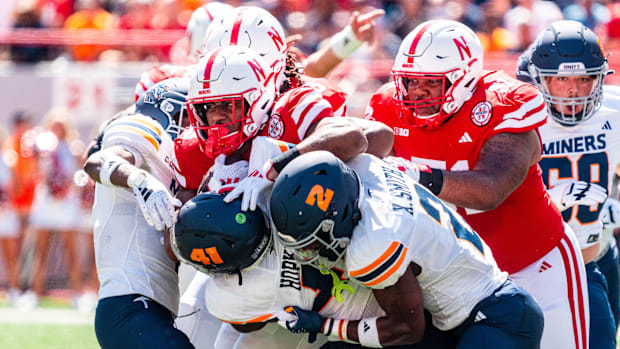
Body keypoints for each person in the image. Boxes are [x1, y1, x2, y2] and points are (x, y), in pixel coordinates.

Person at [364, 19, 589, 349]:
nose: (417, 92)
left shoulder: (501, 102)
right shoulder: (389, 107)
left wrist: (417, 175)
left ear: (464, 79)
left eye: (431, 83)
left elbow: (491, 189)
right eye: (410, 81)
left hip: (533, 261)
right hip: (458, 276)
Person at [269, 150, 544, 348]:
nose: (313, 252)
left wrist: (325, 325)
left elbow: (406, 329)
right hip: (453, 318)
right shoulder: (365, 168)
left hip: (497, 316)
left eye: (315, 240)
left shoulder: (374, 245)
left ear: (338, 216)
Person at [172, 190, 384, 349]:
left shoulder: (227, 296)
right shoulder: (268, 194)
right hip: (381, 261)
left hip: (366, 319)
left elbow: (248, 325)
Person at [523, 20, 620, 349]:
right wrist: (551, 201)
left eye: (584, 78)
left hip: (594, 254)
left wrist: (614, 206)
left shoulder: (614, 112)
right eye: (561, 78)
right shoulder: (518, 117)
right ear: (540, 78)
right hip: (530, 264)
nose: (573, 90)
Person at [83, 78, 193, 349]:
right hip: (129, 303)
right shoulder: (147, 129)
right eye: (189, 116)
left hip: (151, 306)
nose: (197, 124)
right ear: (169, 110)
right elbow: (97, 162)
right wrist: (138, 180)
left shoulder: (172, 163)